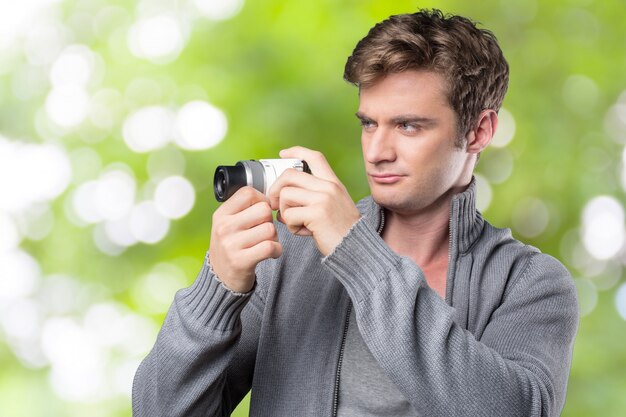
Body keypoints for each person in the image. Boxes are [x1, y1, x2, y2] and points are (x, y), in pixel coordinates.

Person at [133, 9, 578, 417]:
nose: (378, 152)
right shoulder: (289, 254)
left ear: (479, 131)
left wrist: (356, 251)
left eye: (407, 126)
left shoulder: (530, 283)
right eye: (369, 123)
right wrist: (217, 290)